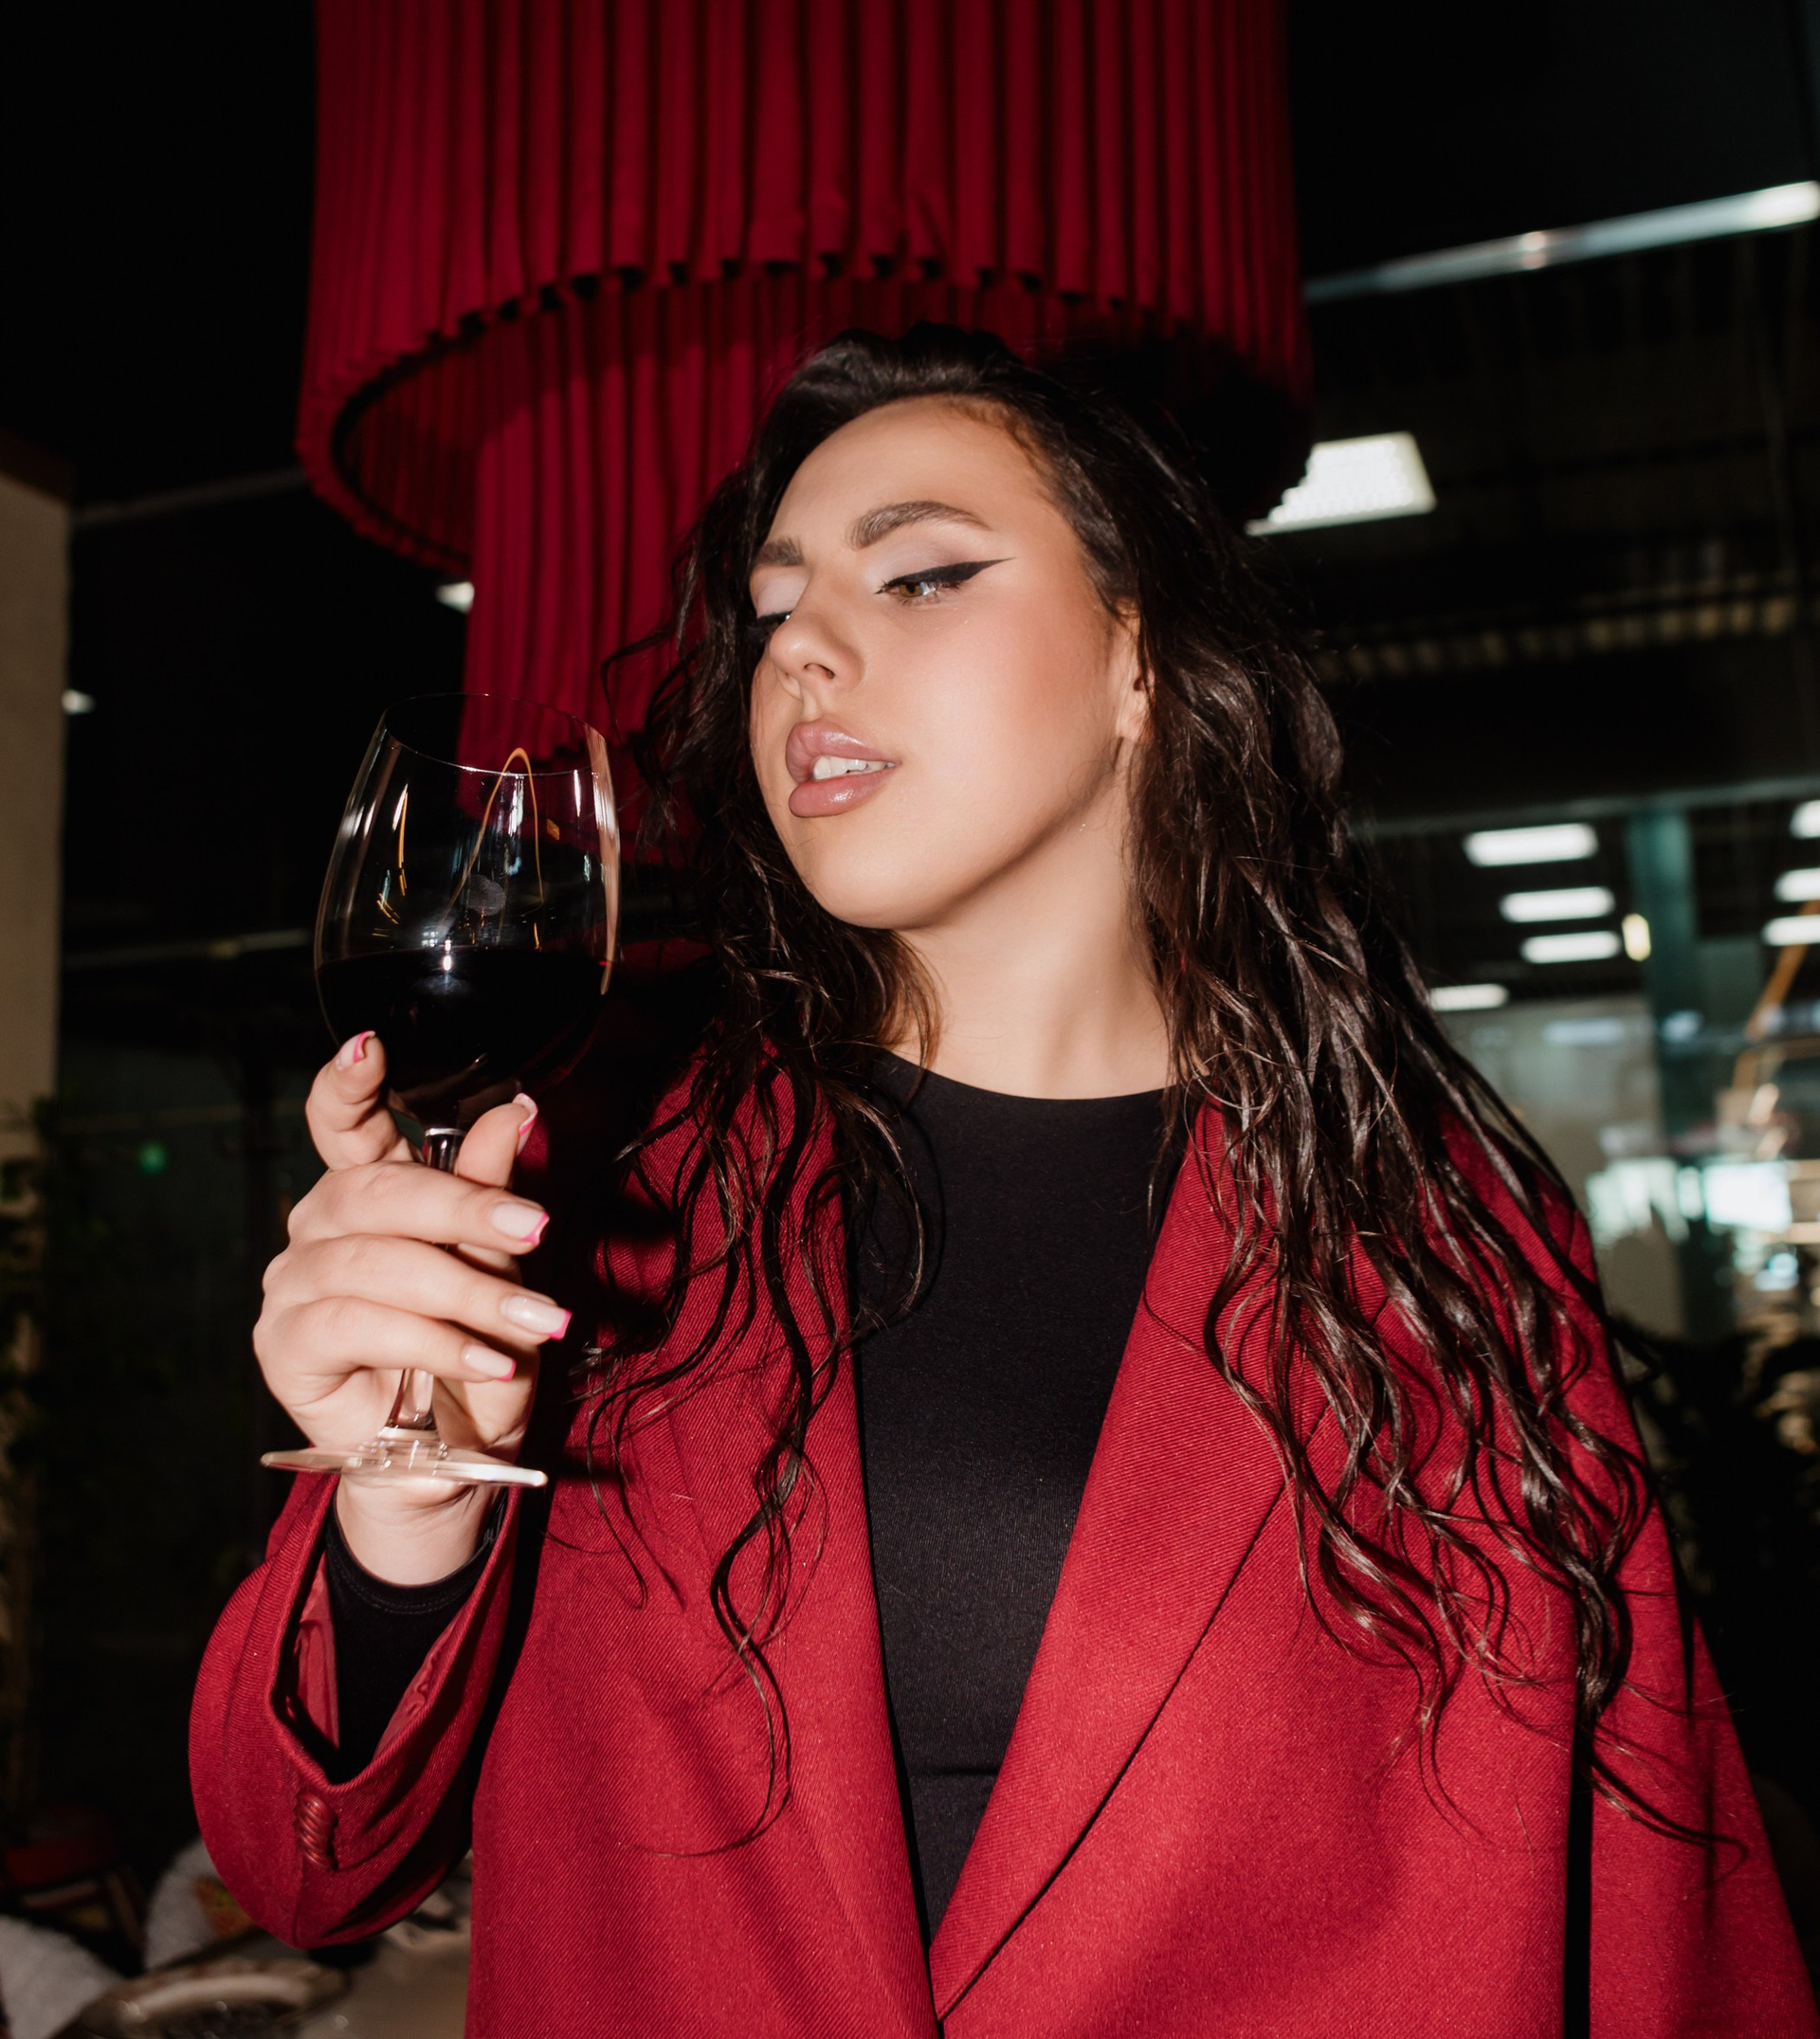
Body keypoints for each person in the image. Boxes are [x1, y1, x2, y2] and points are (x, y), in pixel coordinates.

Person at [191, 327, 1814, 2036]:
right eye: (772, 607)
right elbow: (308, 1868)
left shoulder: (1434, 1235)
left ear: (1143, 658)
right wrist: (409, 1517)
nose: (800, 647)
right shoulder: (606, 1172)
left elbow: (1657, 1894)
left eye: (921, 575)